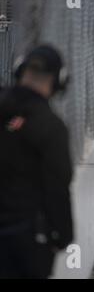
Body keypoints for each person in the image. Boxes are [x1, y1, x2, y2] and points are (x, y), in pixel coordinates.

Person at [0, 45, 73, 279]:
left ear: (19, 71)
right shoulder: (51, 126)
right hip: (25, 242)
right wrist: (63, 236)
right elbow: (57, 189)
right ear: (58, 81)